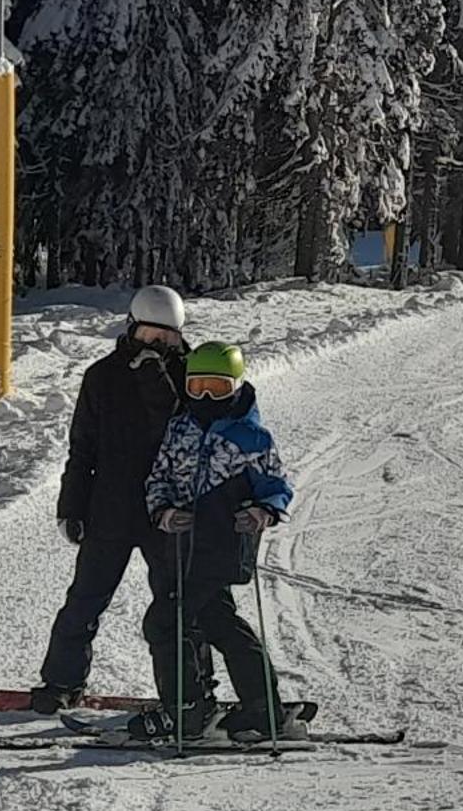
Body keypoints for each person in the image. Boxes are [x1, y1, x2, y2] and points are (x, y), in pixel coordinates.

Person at [31, 286, 189, 714]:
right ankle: (61, 682)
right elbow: (83, 448)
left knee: (177, 604)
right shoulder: (102, 376)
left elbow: (181, 431)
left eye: (168, 339)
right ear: (132, 328)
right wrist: (71, 506)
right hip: (111, 510)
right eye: (152, 337)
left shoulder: (189, 378)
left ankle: (186, 691)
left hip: (167, 512)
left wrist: (156, 377)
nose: (159, 347)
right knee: (85, 598)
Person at [135, 341, 294, 742]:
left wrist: (262, 512)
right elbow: (159, 478)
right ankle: (263, 709)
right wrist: (165, 512)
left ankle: (187, 711)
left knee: (166, 621)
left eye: (218, 388)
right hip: (185, 547)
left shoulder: (251, 437)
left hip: (224, 543)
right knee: (218, 621)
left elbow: (276, 486)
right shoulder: (180, 427)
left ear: (237, 387)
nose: (206, 397)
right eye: (198, 387)